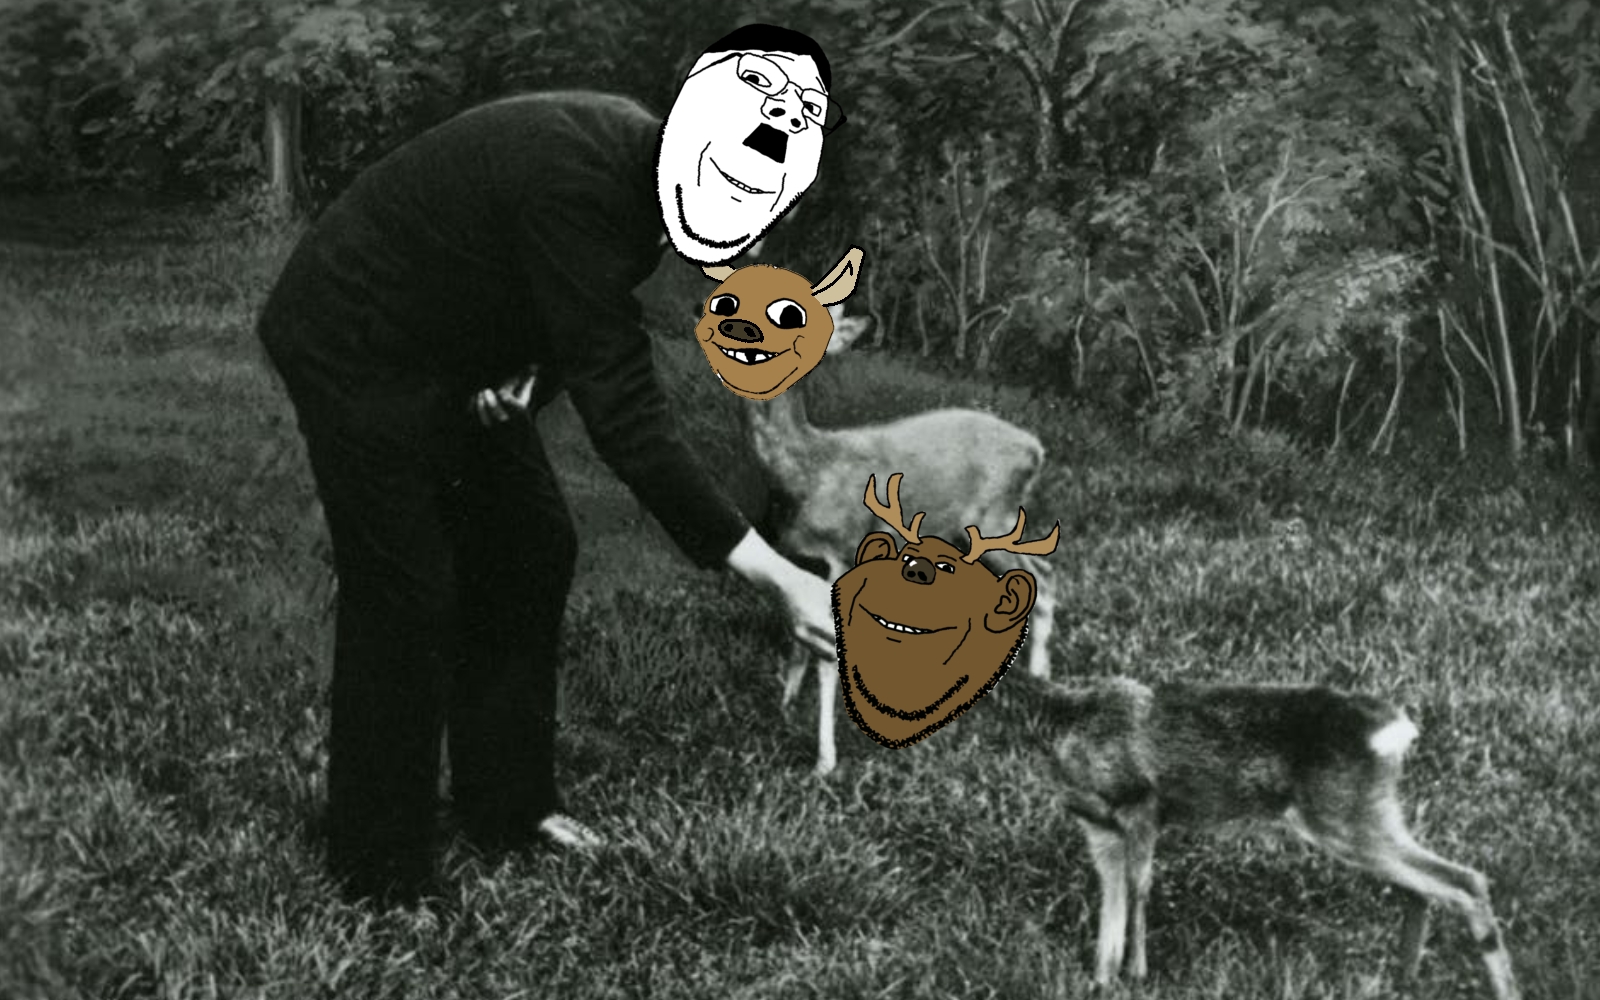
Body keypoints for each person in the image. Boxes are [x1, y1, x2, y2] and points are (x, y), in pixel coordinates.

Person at [257, 24, 842, 908]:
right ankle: (379, 867)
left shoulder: (643, 172)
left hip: (448, 346)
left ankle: (507, 808)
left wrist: (529, 373)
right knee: (406, 586)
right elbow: (631, 421)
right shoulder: (585, 180)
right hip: (353, 335)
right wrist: (781, 578)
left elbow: (563, 295)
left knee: (532, 543)